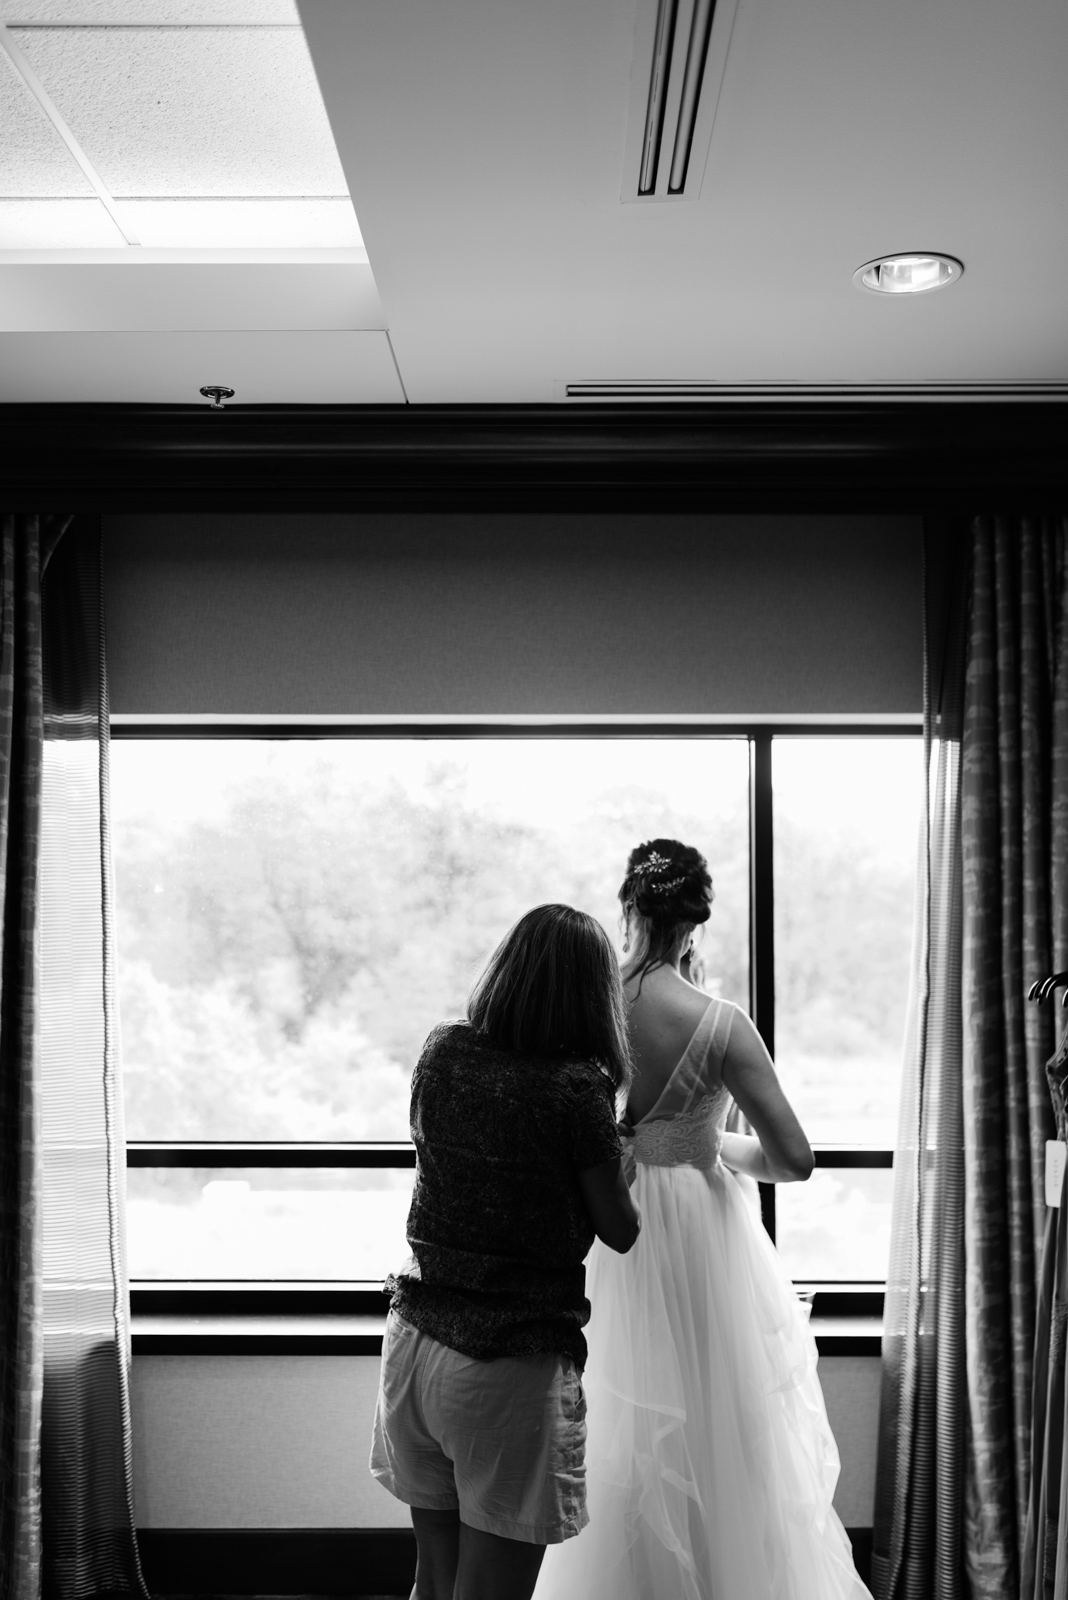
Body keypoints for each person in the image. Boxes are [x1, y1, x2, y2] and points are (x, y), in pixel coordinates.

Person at [534, 840, 874, 1600]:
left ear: (627, 911)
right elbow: (794, 1159)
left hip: (600, 1215)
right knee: (716, 1425)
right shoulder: (721, 1024)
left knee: (615, 1417)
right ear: (698, 925)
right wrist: (705, 1141)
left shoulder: (584, 1003)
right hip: (694, 1230)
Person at [370, 903, 641, 1600]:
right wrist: (622, 1164)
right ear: (594, 996)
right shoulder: (576, 1088)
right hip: (503, 1366)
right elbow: (621, 1229)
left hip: (414, 1341)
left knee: (434, 1581)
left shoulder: (443, 1050)